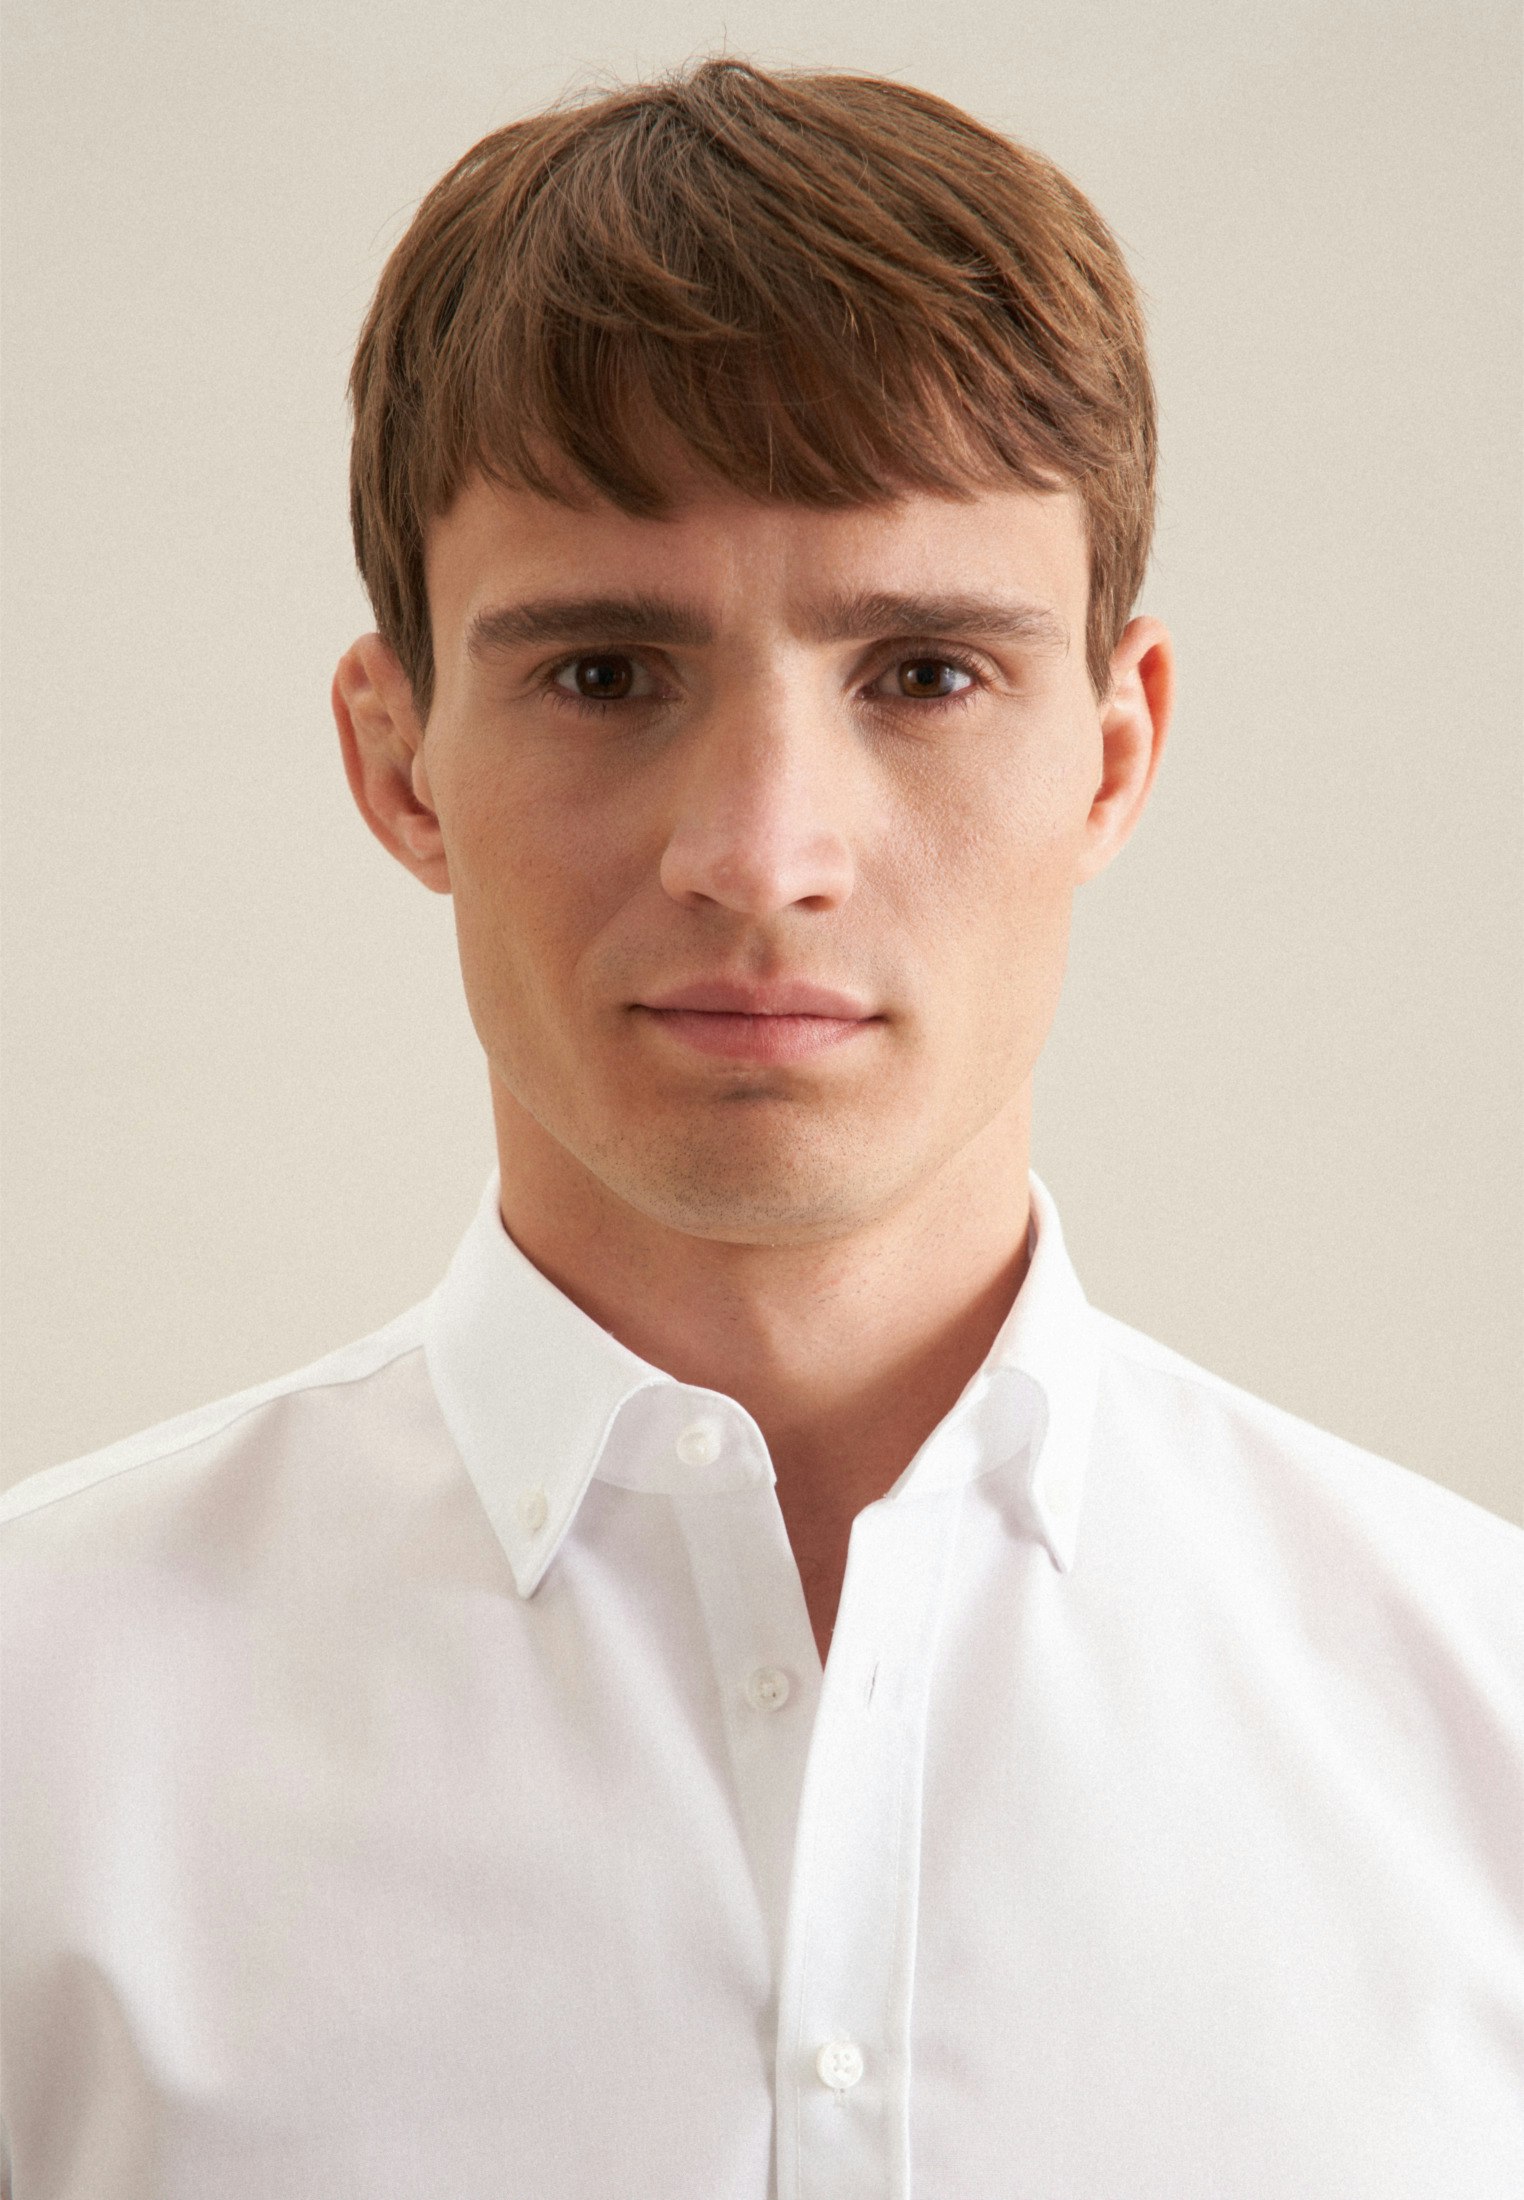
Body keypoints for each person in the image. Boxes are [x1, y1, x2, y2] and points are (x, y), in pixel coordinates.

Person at [2, 56, 1519, 2200]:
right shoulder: (35, 1741)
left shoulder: (1487, 1726)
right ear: (401, 761)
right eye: (606, 674)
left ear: (1114, 753)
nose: (760, 851)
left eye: (925, 672)